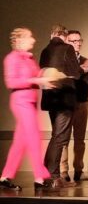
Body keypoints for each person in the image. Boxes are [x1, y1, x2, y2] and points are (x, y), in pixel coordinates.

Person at [0, 28, 56, 191]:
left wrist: (47, 78)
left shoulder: (29, 59)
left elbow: (37, 76)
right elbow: (11, 83)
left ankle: (5, 176)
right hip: (20, 101)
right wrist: (36, 79)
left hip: (30, 102)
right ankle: (40, 177)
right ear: (19, 40)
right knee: (34, 138)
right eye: (30, 37)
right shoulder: (11, 59)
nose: (33, 40)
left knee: (20, 142)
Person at [40, 24, 84, 188]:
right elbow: (75, 73)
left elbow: (43, 71)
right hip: (64, 99)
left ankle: (48, 174)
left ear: (52, 35)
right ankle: (52, 176)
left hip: (50, 99)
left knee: (56, 136)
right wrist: (84, 67)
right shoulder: (67, 48)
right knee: (60, 138)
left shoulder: (45, 50)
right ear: (64, 36)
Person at [60, 30, 88, 182]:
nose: (77, 43)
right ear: (67, 42)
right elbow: (72, 79)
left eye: (79, 40)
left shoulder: (84, 60)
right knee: (64, 139)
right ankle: (63, 171)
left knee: (80, 139)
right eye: (73, 41)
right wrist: (84, 68)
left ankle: (78, 170)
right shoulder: (64, 59)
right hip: (67, 103)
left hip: (82, 102)